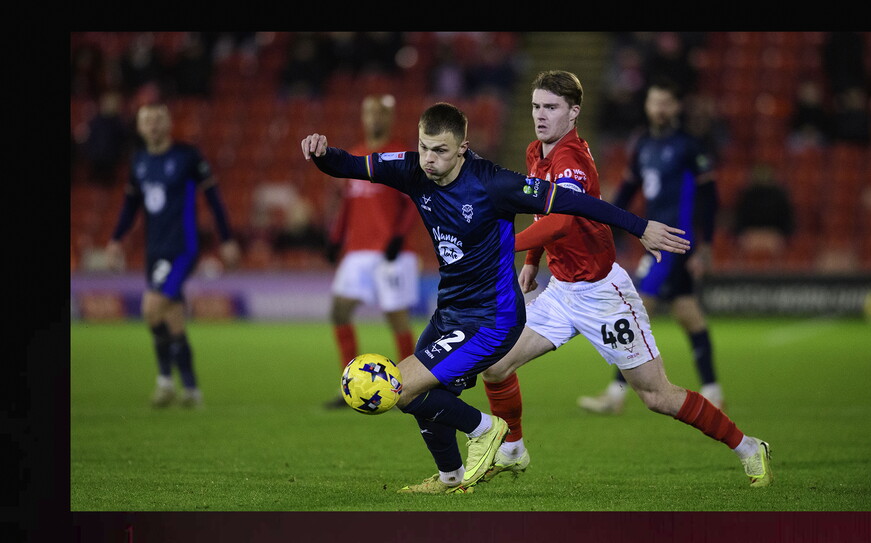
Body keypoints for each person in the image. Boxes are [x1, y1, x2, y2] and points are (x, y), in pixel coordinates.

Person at [301, 102, 690, 494]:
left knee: (401, 388)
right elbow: (350, 165)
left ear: (463, 148)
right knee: (419, 396)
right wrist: (321, 154)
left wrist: (639, 226)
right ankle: (451, 478)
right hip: (450, 312)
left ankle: (485, 429)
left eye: (440, 150)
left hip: (492, 319)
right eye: (424, 148)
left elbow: (575, 202)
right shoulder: (412, 169)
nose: (429, 159)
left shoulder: (494, 184)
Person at [479, 71, 772, 489]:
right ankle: (512, 450)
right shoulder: (535, 152)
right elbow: (543, 210)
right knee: (495, 366)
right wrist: (531, 261)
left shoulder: (572, 159)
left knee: (656, 396)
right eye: (536, 106)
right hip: (561, 291)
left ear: (574, 112)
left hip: (603, 294)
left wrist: (504, 245)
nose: (540, 115)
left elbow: (563, 220)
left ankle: (748, 446)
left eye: (551, 107)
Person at [578, 76, 725, 414]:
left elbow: (709, 199)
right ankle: (713, 391)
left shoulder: (689, 146)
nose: (659, 109)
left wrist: (705, 245)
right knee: (688, 314)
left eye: (665, 103)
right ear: (647, 105)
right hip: (658, 241)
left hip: (676, 242)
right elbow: (628, 190)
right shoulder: (643, 144)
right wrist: (603, 221)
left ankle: (615, 394)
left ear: (676, 107)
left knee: (633, 308)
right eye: (654, 102)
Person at [106, 103, 241, 408]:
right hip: (154, 250)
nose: (153, 125)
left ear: (168, 123)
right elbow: (130, 205)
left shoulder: (187, 157)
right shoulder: (139, 160)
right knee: (173, 318)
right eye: (147, 121)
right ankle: (191, 390)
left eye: (158, 119)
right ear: (139, 127)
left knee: (150, 308)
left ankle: (165, 382)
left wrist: (227, 239)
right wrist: (115, 239)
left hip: (183, 247)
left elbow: (214, 198)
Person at [322, 94, 421, 409]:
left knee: (396, 317)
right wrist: (336, 239)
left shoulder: (400, 154)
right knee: (339, 311)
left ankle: (414, 386)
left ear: (389, 118)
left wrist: (399, 237)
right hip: (358, 251)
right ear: (363, 118)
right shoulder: (355, 155)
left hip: (391, 251)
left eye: (380, 113)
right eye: (369, 113)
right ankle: (350, 385)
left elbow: (413, 201)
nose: (374, 118)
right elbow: (347, 204)